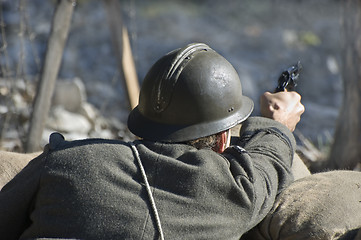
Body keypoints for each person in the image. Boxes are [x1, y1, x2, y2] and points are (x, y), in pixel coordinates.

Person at [0, 43, 304, 240]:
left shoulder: (63, 161)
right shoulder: (233, 190)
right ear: (224, 139)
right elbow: (269, 162)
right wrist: (277, 122)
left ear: (144, 123)